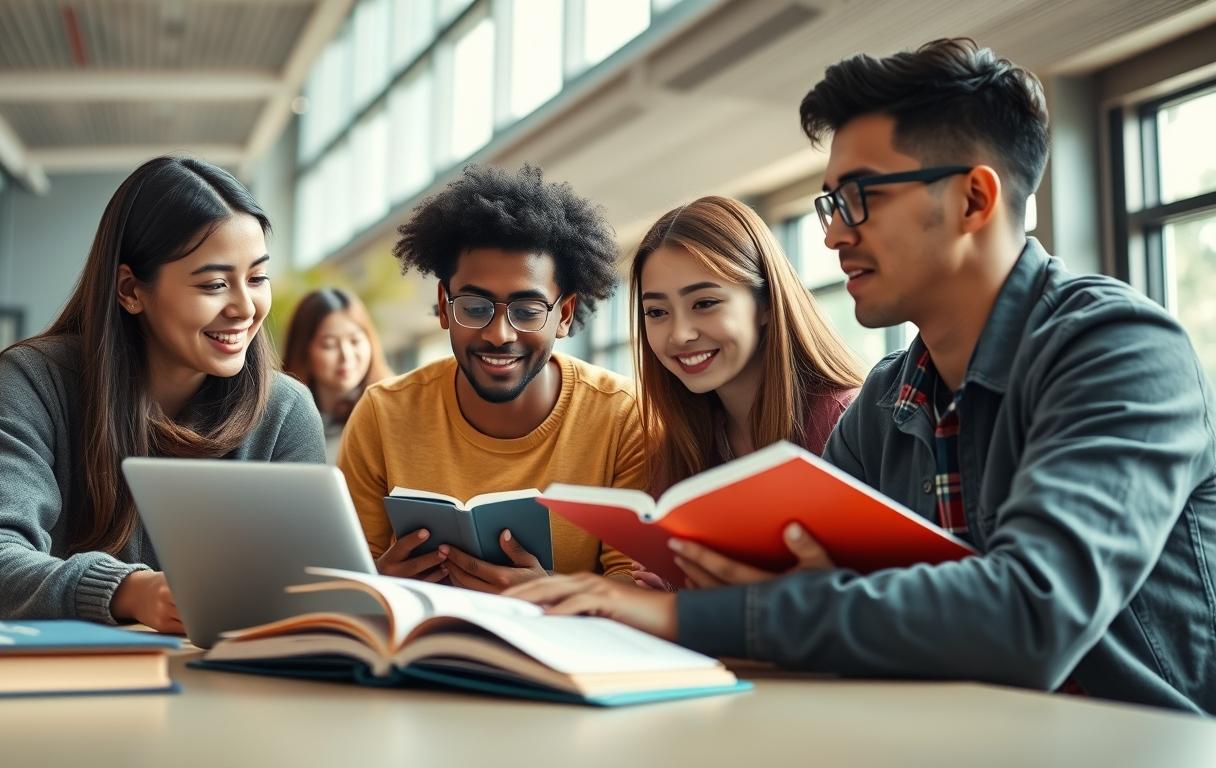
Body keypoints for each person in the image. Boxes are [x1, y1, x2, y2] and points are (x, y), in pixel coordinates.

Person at [508, 38, 1216, 714]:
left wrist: (679, 612)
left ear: (974, 199)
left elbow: (1029, 616)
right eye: (829, 204)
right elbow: (835, 602)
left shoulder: (1118, 349)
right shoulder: (887, 399)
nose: (832, 234)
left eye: (860, 198)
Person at [0, 156, 326, 633]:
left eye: (257, 278)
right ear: (130, 289)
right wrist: (129, 592)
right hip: (62, 687)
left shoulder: (285, 411)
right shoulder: (35, 383)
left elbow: (311, 591)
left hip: (230, 690)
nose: (245, 308)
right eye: (214, 284)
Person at [338, 164, 644, 593]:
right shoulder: (384, 412)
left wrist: (548, 593)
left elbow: (635, 589)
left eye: (527, 310)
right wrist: (378, 581)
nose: (499, 335)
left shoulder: (623, 416)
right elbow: (346, 577)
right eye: (475, 307)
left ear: (565, 315)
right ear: (445, 308)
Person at [629, 195, 863, 589]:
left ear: (766, 304)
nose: (679, 334)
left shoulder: (845, 423)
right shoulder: (684, 444)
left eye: (705, 303)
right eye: (657, 312)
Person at [282, 287, 393, 458]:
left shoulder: (392, 409)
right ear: (303, 351)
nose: (346, 356)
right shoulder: (283, 418)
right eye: (329, 345)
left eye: (355, 341)